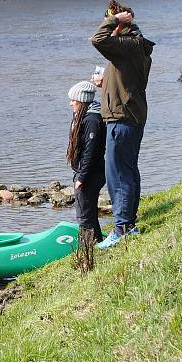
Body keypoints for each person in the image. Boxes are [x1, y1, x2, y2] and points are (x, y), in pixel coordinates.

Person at [91, 0, 155, 249]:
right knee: (126, 170)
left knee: (117, 174)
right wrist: (104, 81)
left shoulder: (127, 44)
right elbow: (126, 79)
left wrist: (115, 21)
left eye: (112, 20)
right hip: (129, 114)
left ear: (122, 22)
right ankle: (128, 224)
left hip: (122, 117)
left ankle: (122, 228)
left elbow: (98, 39)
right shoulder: (134, 46)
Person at [66, 80, 106, 243]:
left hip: (90, 174)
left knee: (84, 216)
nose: (70, 104)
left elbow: (91, 151)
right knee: (89, 213)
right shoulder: (86, 116)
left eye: (73, 101)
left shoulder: (91, 120)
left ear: (81, 101)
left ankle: (87, 249)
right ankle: (97, 243)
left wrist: (82, 177)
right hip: (89, 172)